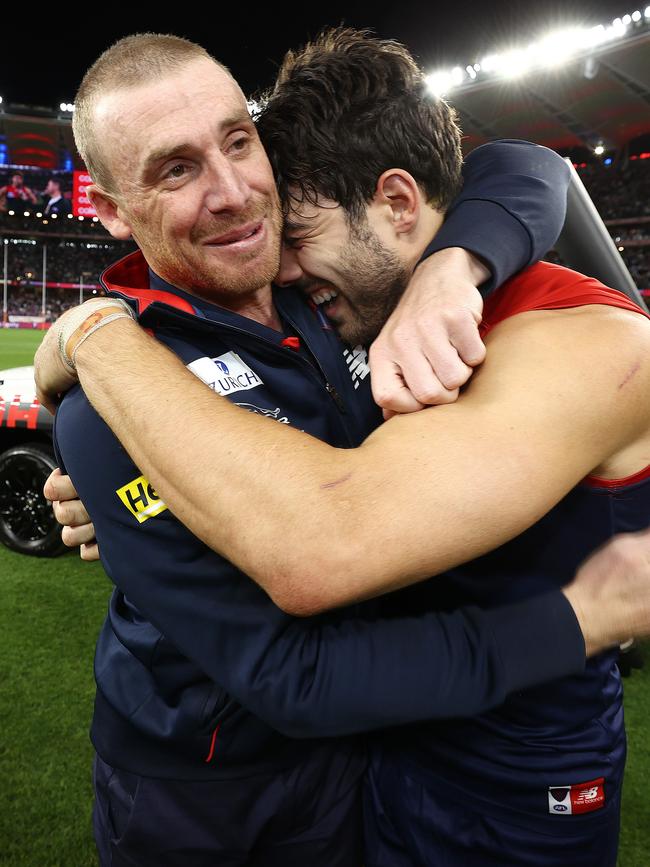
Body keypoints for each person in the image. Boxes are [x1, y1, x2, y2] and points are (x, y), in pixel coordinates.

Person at [36, 31, 650, 867]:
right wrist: (95, 333)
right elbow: (299, 639)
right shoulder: (128, 386)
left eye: (238, 142)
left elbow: (528, 167)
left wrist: (451, 267)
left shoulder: (358, 310)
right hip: (208, 787)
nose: (237, 200)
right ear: (108, 208)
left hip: (485, 772)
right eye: (176, 169)